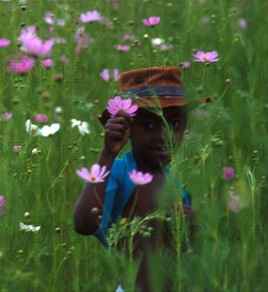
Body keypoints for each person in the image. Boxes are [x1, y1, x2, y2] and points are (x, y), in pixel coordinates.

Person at [73, 66, 208, 291]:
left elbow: (187, 254)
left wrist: (191, 228)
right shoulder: (118, 171)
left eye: (173, 124)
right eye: (149, 125)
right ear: (128, 128)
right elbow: (84, 223)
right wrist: (108, 153)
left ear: (184, 126)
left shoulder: (177, 185)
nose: (163, 135)